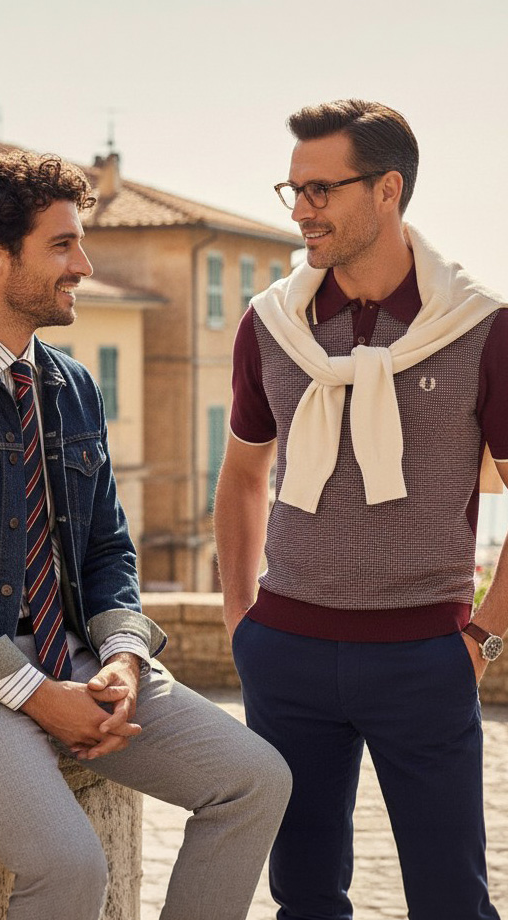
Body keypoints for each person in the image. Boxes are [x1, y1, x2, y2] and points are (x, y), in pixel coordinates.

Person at [0, 150, 292, 920]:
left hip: (79, 658)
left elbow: (107, 552)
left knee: (256, 780)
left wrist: (125, 661)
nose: (84, 265)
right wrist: (38, 696)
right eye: (62, 245)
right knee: (69, 870)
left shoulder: (72, 385)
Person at [214, 98, 508, 920]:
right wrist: (244, 617)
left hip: (426, 655)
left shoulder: (482, 327)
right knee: (303, 897)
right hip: (287, 654)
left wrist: (481, 635)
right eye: (294, 189)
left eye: (321, 190)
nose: (301, 210)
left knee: (453, 900)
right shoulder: (272, 325)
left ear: (388, 190)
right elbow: (241, 476)